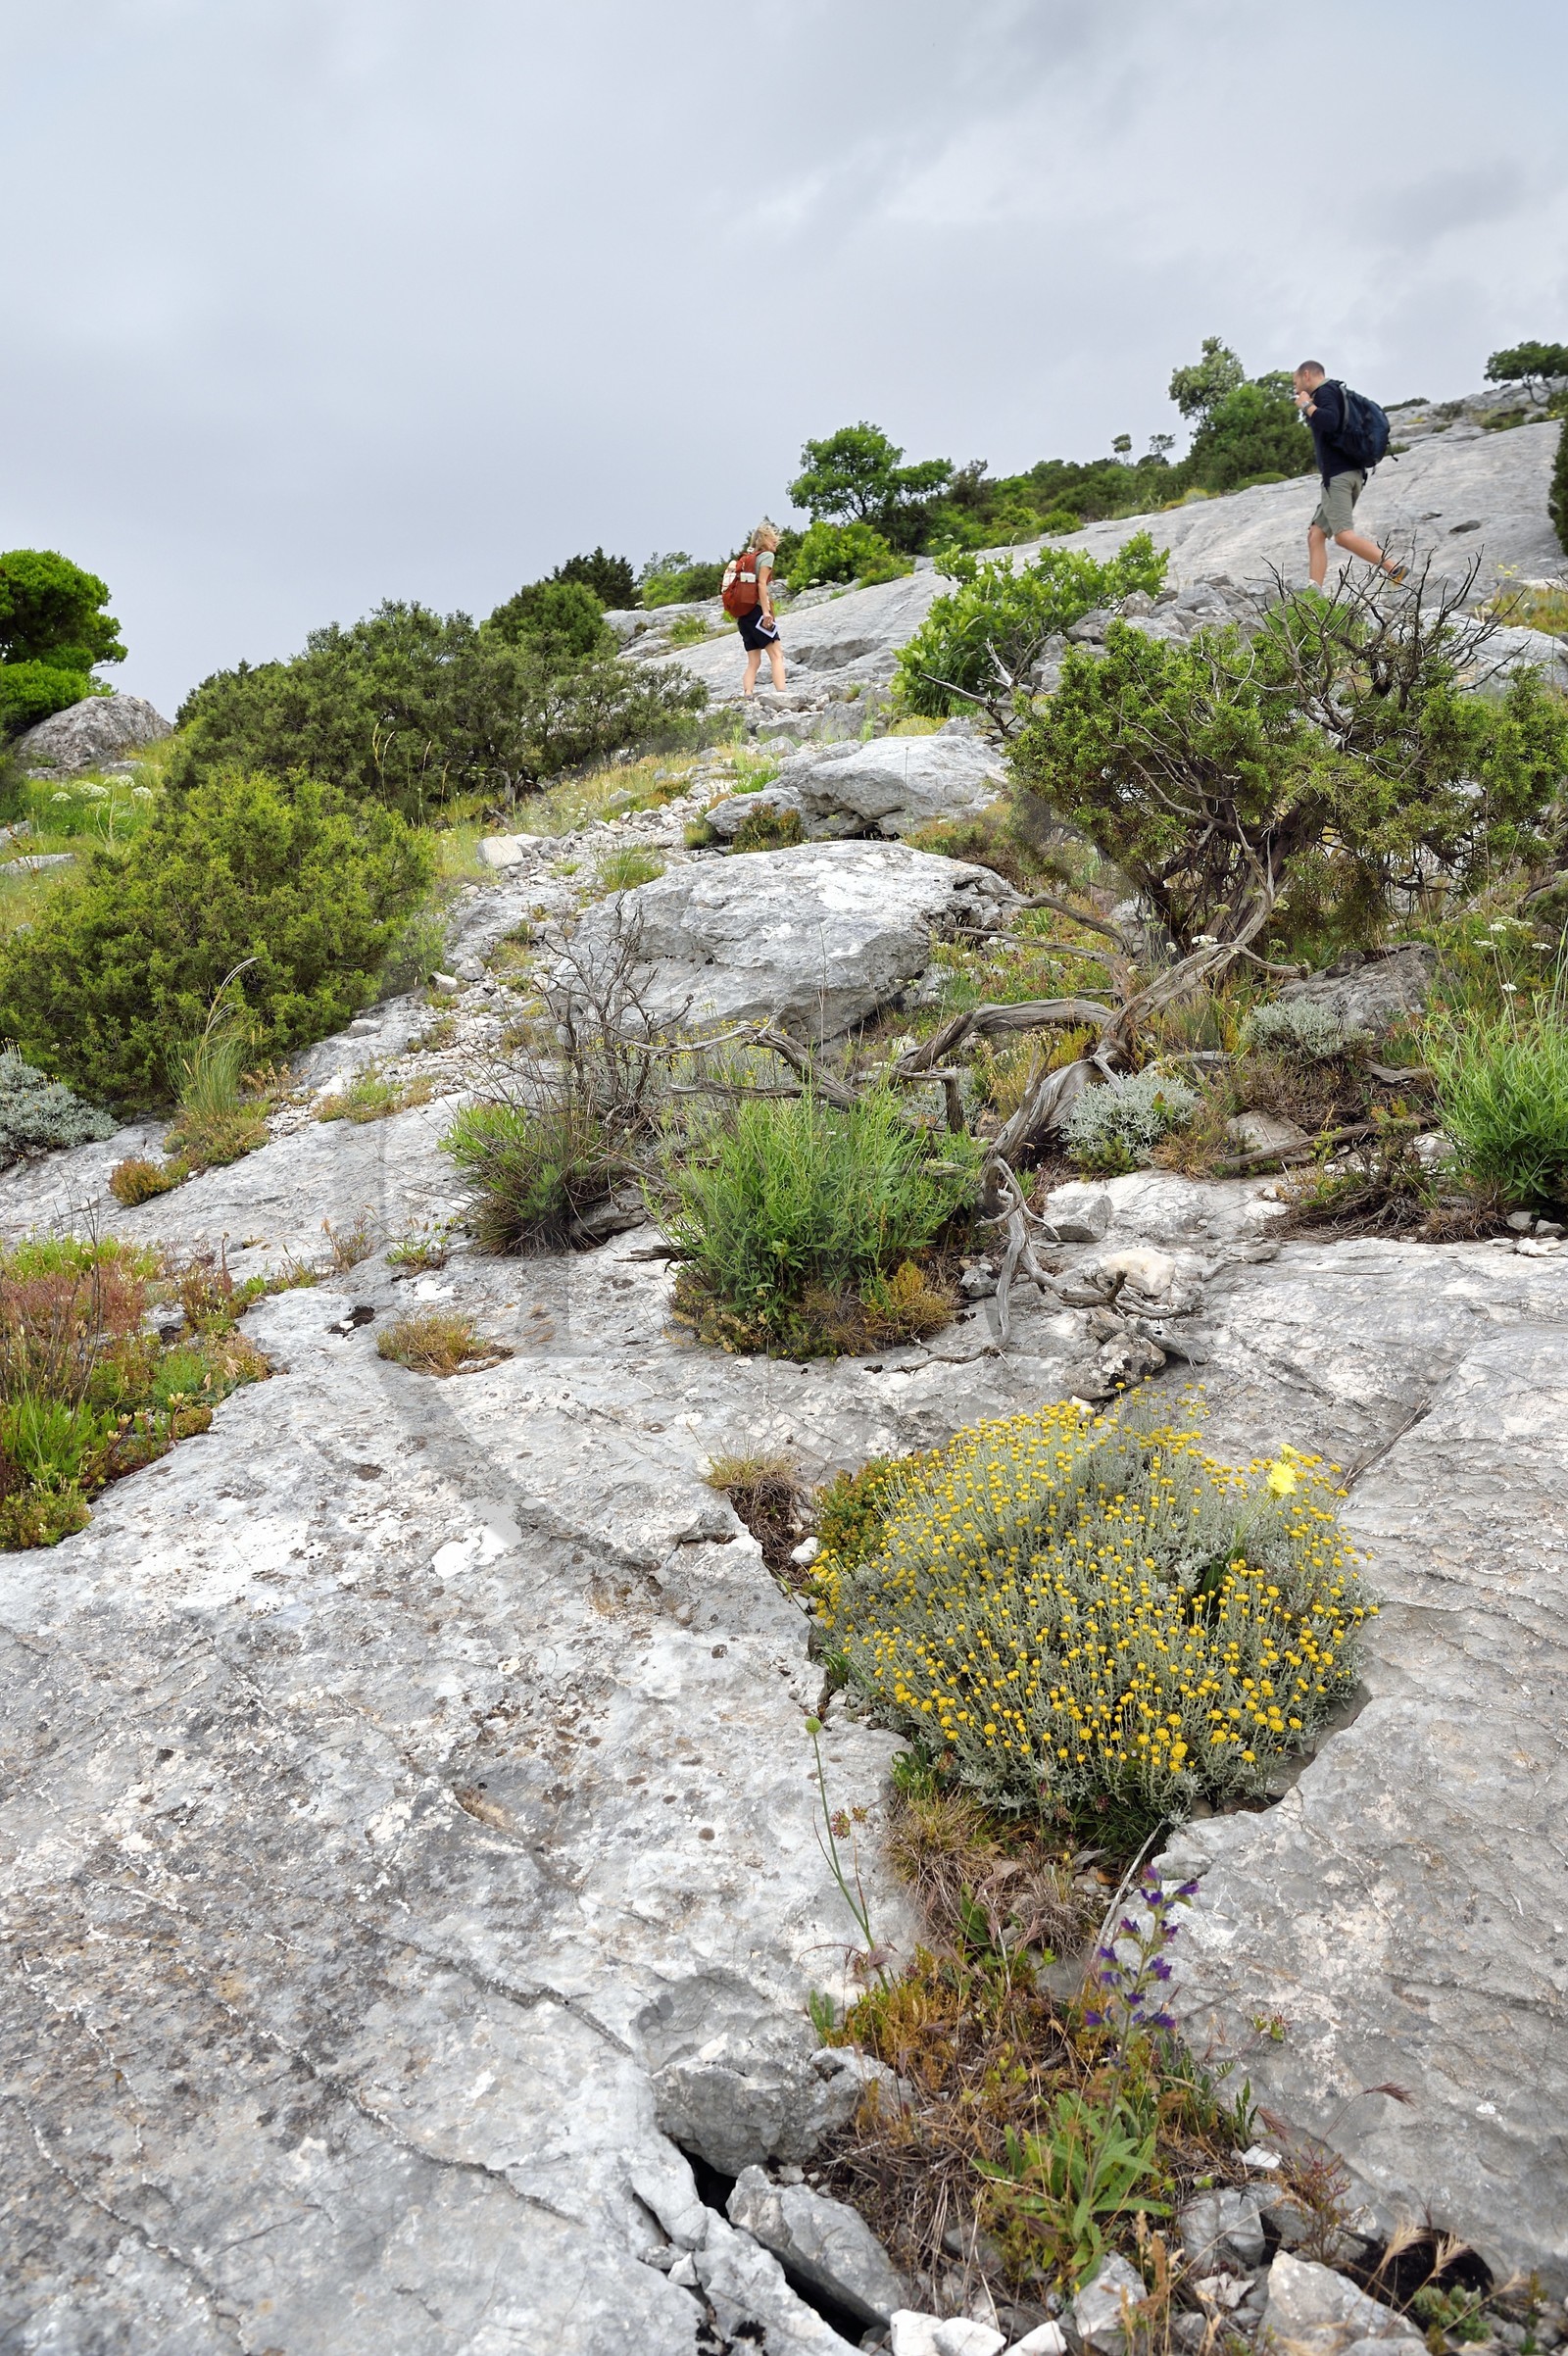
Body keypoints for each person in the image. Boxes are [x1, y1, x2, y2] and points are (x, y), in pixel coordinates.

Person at [1293, 363, 1406, 587]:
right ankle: (1314, 593)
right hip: (1350, 474)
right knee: (1315, 534)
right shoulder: (1336, 392)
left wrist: (1306, 405)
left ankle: (1394, 568)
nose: (1296, 390)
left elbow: (1330, 421)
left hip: (1339, 476)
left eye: (1295, 383)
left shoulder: (1326, 391)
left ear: (1306, 375)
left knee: (1343, 536)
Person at [736, 522, 786, 695]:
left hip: (744, 615)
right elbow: (761, 584)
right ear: (765, 538)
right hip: (758, 612)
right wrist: (766, 613)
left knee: (753, 662)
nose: (775, 543)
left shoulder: (748, 558)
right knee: (777, 655)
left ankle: (748, 694)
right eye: (773, 539)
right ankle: (782, 695)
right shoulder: (766, 556)